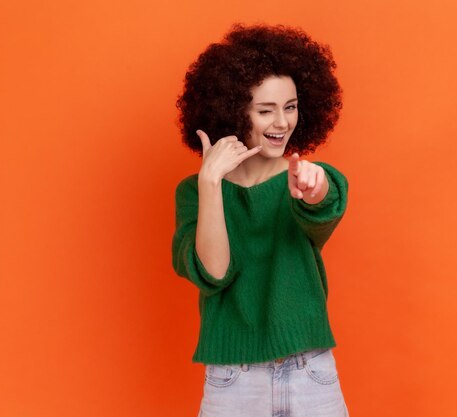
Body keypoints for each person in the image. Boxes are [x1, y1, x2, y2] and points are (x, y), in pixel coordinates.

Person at [172, 23, 349, 417]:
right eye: (265, 110)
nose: (283, 123)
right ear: (235, 111)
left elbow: (324, 206)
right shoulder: (194, 192)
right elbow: (214, 272)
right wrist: (210, 182)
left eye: (290, 106)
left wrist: (315, 188)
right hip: (233, 381)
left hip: (310, 374)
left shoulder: (299, 178)